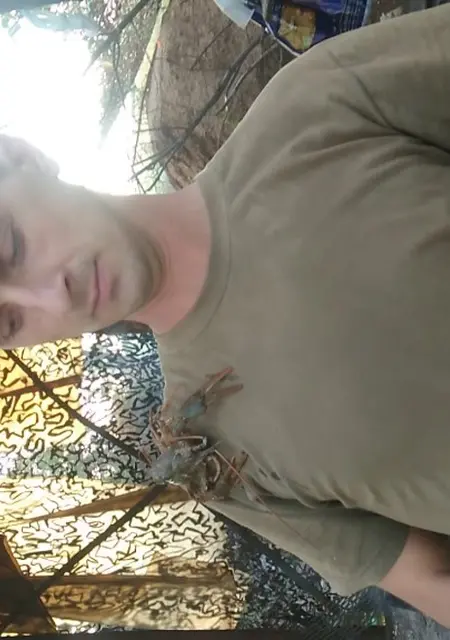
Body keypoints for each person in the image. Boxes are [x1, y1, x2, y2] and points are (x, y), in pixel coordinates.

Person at [4, 3, 450, 626]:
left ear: (21, 156)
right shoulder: (207, 456)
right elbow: (431, 577)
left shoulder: (317, 107)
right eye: (10, 323)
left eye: (12, 249)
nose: (55, 299)